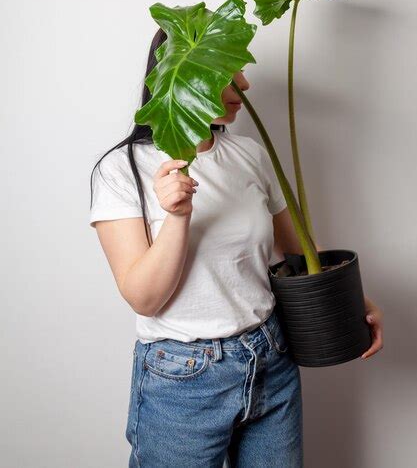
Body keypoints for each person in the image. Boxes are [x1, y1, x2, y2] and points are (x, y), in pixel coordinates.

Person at [89, 28, 384, 467]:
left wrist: (352, 303)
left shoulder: (249, 153)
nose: (244, 86)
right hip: (183, 379)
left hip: (271, 357)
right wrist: (178, 217)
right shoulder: (120, 170)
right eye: (230, 73)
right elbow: (144, 298)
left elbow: (299, 248)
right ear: (185, 75)